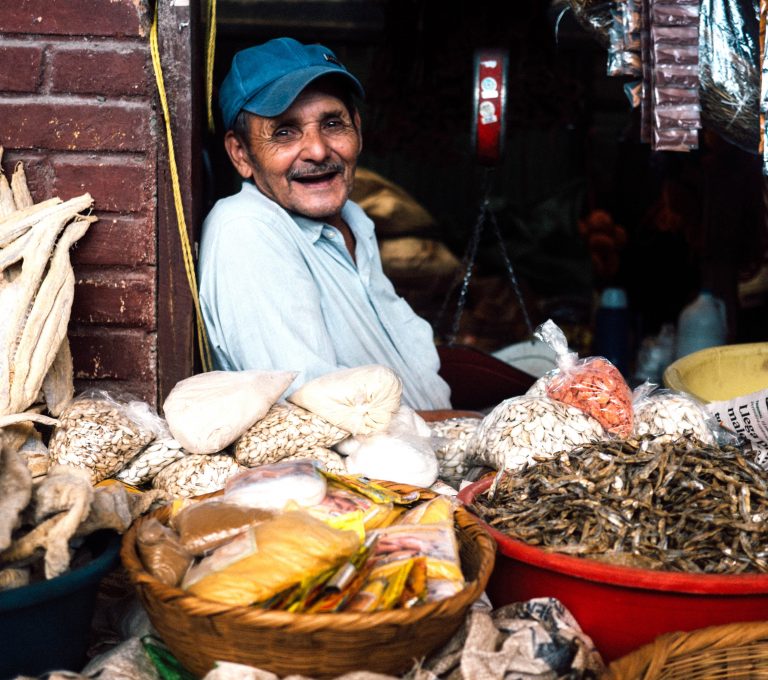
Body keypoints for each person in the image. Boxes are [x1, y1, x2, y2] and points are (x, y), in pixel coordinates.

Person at [198, 37, 452, 410]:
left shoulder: (355, 221)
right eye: (284, 132)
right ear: (241, 154)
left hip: (428, 452)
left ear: (358, 131)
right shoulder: (247, 230)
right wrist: (458, 426)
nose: (317, 150)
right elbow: (315, 410)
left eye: (333, 124)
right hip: (357, 467)